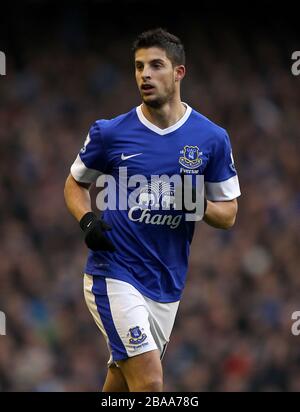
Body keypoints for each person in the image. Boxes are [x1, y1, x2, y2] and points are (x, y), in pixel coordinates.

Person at [64, 27, 241, 392]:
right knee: (149, 383)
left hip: (166, 284)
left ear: (179, 73)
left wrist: (196, 203)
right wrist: (87, 221)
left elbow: (229, 214)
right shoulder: (110, 132)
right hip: (113, 272)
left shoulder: (211, 138)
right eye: (139, 66)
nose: (145, 74)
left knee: (121, 381)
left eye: (156, 65)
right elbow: (74, 184)